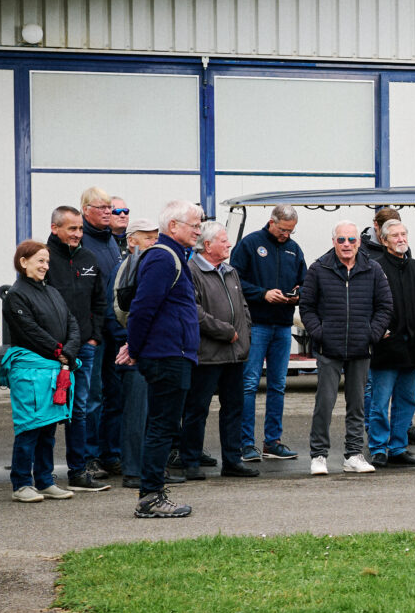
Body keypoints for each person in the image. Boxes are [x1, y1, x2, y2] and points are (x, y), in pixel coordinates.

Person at [125, 202, 204, 517]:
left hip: (174, 354)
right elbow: (143, 307)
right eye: (194, 224)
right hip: (167, 355)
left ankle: (153, 491)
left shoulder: (173, 257)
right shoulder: (162, 256)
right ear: (174, 226)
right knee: (162, 426)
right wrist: (134, 348)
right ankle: (151, 497)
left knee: (164, 425)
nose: (198, 230)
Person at [300, 219, 391, 476]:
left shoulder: (372, 269)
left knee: (358, 405)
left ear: (359, 242)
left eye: (351, 239)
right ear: (333, 242)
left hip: (361, 348)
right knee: (324, 403)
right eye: (341, 239)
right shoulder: (319, 269)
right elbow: (306, 307)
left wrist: (370, 335)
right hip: (330, 348)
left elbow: (385, 306)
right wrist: (321, 334)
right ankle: (318, 455)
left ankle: (353, 454)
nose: (347, 244)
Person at [0, 239, 79, 502]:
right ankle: (22, 483)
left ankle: (44, 480)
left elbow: (72, 323)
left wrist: (69, 350)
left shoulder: (52, 292)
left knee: (48, 428)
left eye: (47, 261)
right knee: (29, 427)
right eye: (40, 261)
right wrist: (60, 351)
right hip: (31, 372)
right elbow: (29, 331)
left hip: (55, 370)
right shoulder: (15, 296)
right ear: (23, 262)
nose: (45, 266)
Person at [181, 221, 258, 478]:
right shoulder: (191, 271)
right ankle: (190, 461)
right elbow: (195, 312)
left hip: (235, 354)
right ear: (208, 244)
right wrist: (226, 332)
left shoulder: (230, 271)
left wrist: (244, 333)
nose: (228, 244)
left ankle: (232, 461)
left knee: (234, 407)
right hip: (207, 355)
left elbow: (243, 307)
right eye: (224, 241)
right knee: (197, 409)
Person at [45, 204, 111, 491]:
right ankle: (41, 477)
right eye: (72, 228)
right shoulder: (43, 258)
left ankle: (78, 470)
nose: (77, 234)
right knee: (47, 413)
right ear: (55, 228)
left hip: (85, 347)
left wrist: (94, 336)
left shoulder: (88, 257)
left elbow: (99, 301)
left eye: (80, 228)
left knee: (80, 408)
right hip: (52, 351)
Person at [234, 202, 306, 462]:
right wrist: (262, 294)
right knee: (250, 384)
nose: (286, 235)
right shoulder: (250, 244)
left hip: (283, 325)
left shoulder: (293, 250)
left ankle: (272, 441)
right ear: (272, 221)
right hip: (256, 324)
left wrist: (297, 294)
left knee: (278, 385)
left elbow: (305, 281)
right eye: (283, 230)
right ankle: (245, 444)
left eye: (291, 231)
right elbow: (234, 280)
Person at [365, 216, 415, 468]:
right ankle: (378, 448)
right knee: (380, 403)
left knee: (407, 401)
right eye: (395, 235)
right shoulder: (375, 267)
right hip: (386, 347)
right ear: (383, 240)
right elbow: (368, 304)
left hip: (412, 346)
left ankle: (397, 447)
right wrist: (376, 331)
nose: (401, 239)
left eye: (404, 234)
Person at [80, 189, 131, 476]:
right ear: (86, 209)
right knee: (92, 397)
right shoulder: (83, 243)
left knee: (115, 394)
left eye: (110, 208)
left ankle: (111, 453)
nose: (109, 212)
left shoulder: (111, 242)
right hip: (94, 334)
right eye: (102, 207)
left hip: (114, 331)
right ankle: (90, 456)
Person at [110, 219, 159, 486]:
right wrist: (129, 343)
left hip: (152, 350)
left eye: (156, 237)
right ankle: (132, 471)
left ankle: (148, 469)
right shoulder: (126, 268)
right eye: (148, 237)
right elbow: (115, 310)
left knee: (152, 414)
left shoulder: (149, 267)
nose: (154, 242)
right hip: (133, 351)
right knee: (136, 414)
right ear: (132, 241)